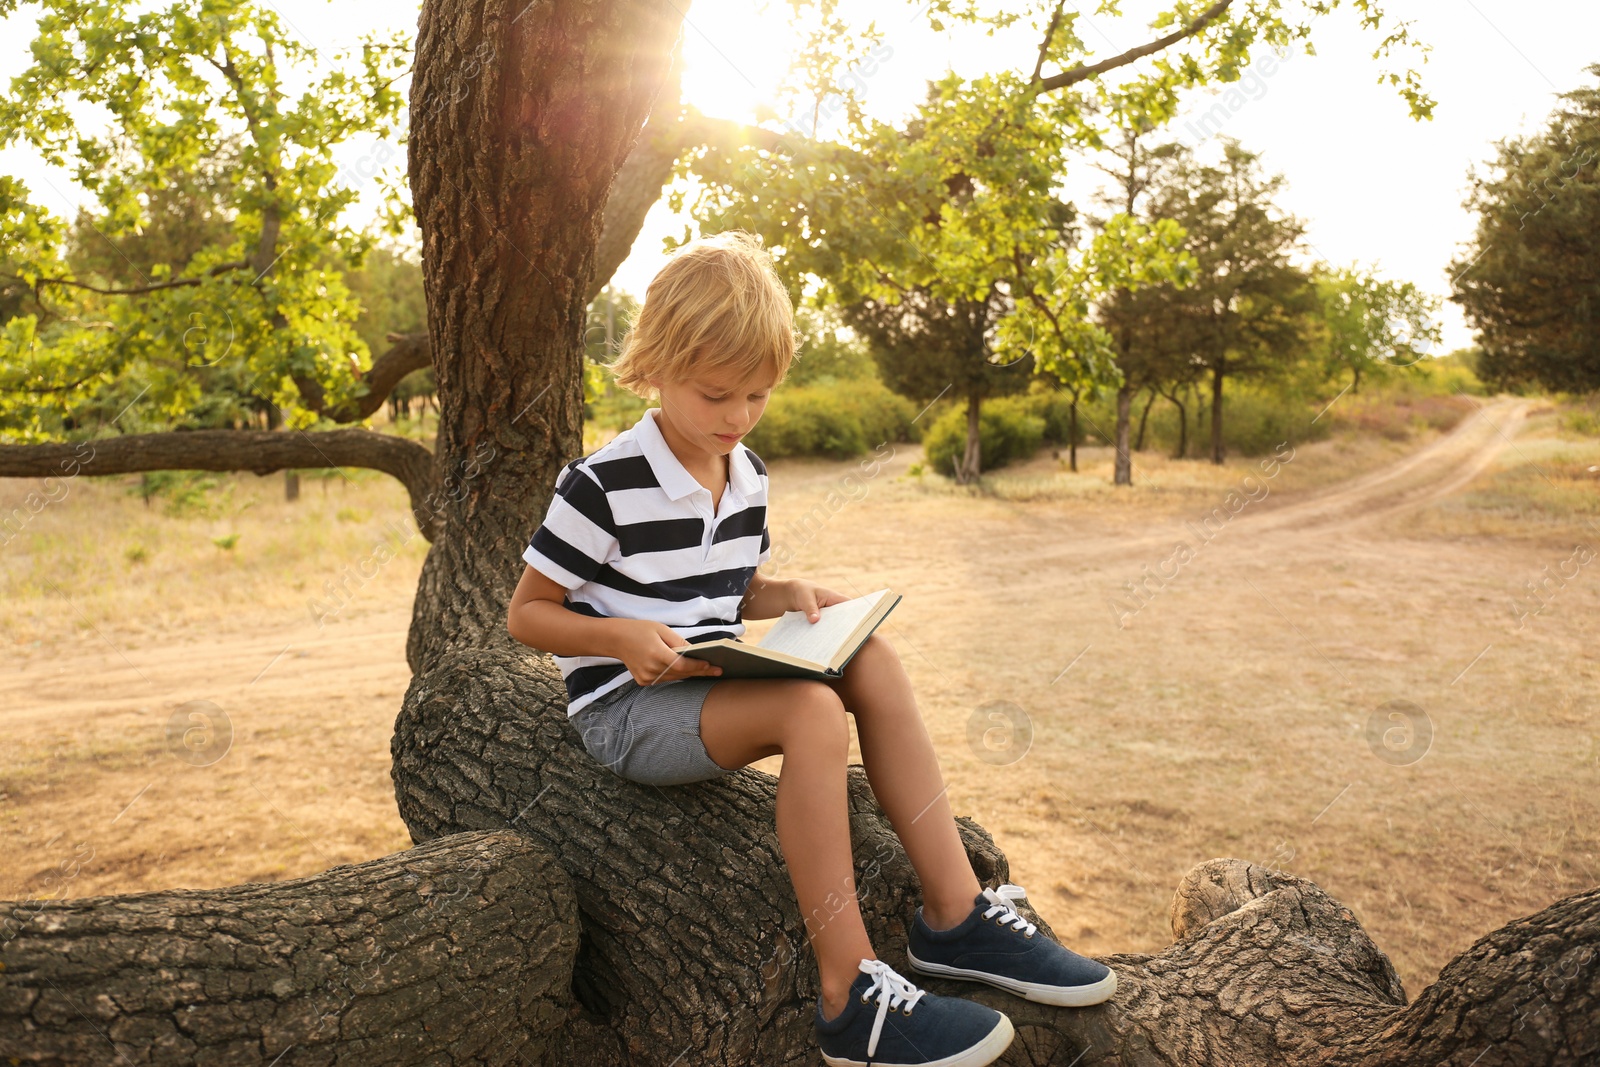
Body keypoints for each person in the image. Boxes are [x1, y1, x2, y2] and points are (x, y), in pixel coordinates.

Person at [507, 230, 1115, 1067]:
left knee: (873, 657)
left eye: (756, 396)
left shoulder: (747, 472)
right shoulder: (601, 485)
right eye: (716, 394)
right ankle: (850, 994)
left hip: (707, 681)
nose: (736, 417)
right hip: (626, 710)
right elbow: (528, 615)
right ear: (653, 364)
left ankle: (956, 914)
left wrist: (778, 595)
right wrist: (617, 635)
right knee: (812, 710)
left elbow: (724, 587)